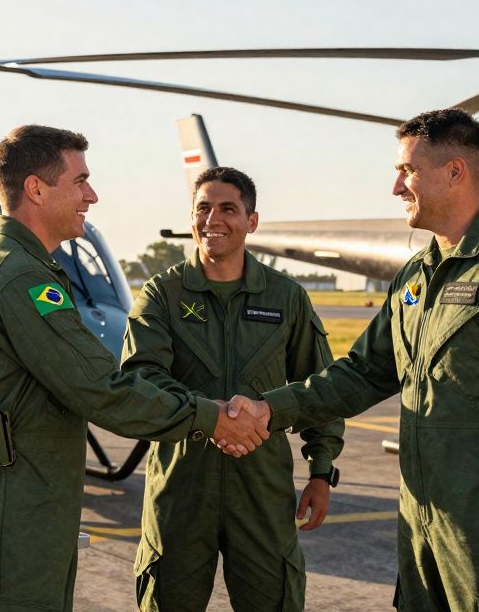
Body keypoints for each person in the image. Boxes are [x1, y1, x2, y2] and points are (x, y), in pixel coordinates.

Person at [227, 109, 479, 611]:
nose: (397, 187)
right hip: (423, 529)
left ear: (455, 172)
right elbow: (363, 373)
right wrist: (271, 410)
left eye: (408, 171)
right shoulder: (418, 274)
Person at [0, 125, 269, 612]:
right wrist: (211, 416)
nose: (91, 195)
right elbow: (101, 388)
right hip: (12, 508)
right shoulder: (19, 278)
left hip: (27, 498)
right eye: (80, 181)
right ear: (36, 188)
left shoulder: (27, 268)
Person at [121, 167, 345, 612]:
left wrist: (322, 470)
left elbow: (319, 387)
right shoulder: (161, 294)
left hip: (261, 488)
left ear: (251, 221)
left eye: (228, 209)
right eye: (203, 208)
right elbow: (142, 376)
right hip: (181, 486)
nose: (213, 220)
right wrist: (212, 416)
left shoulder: (285, 298)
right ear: (191, 219)